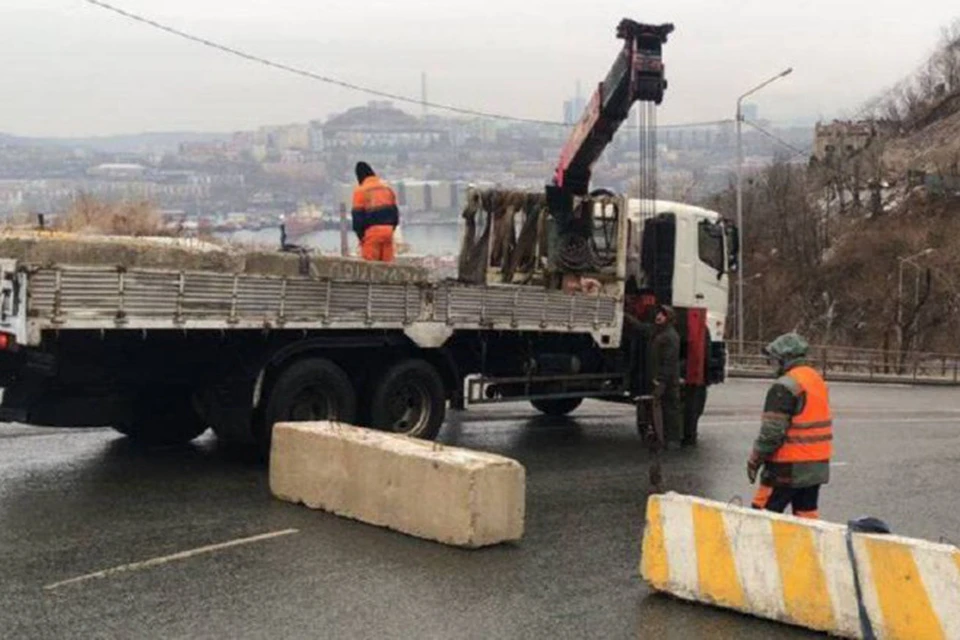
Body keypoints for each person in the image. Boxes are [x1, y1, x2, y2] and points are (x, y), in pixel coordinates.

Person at [748, 332, 833, 519]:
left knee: (760, 516)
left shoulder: (785, 386)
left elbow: (771, 434)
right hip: (816, 465)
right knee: (806, 516)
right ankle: (807, 548)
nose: (771, 366)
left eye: (773, 360)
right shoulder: (816, 380)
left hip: (786, 466)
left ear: (785, 359)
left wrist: (756, 458)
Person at [351, 162, 399, 262]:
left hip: (371, 234)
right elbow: (395, 214)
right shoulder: (387, 188)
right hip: (388, 232)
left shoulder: (360, 191)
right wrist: (390, 229)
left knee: (371, 268)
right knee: (387, 268)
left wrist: (362, 238)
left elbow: (357, 219)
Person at [648, 305, 682, 445]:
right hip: (664, 378)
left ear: (668, 318)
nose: (658, 316)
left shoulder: (670, 336)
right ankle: (666, 438)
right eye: (658, 314)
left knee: (670, 408)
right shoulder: (661, 333)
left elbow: (669, 361)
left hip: (668, 380)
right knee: (666, 407)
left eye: (662, 314)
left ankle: (672, 439)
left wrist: (661, 381)